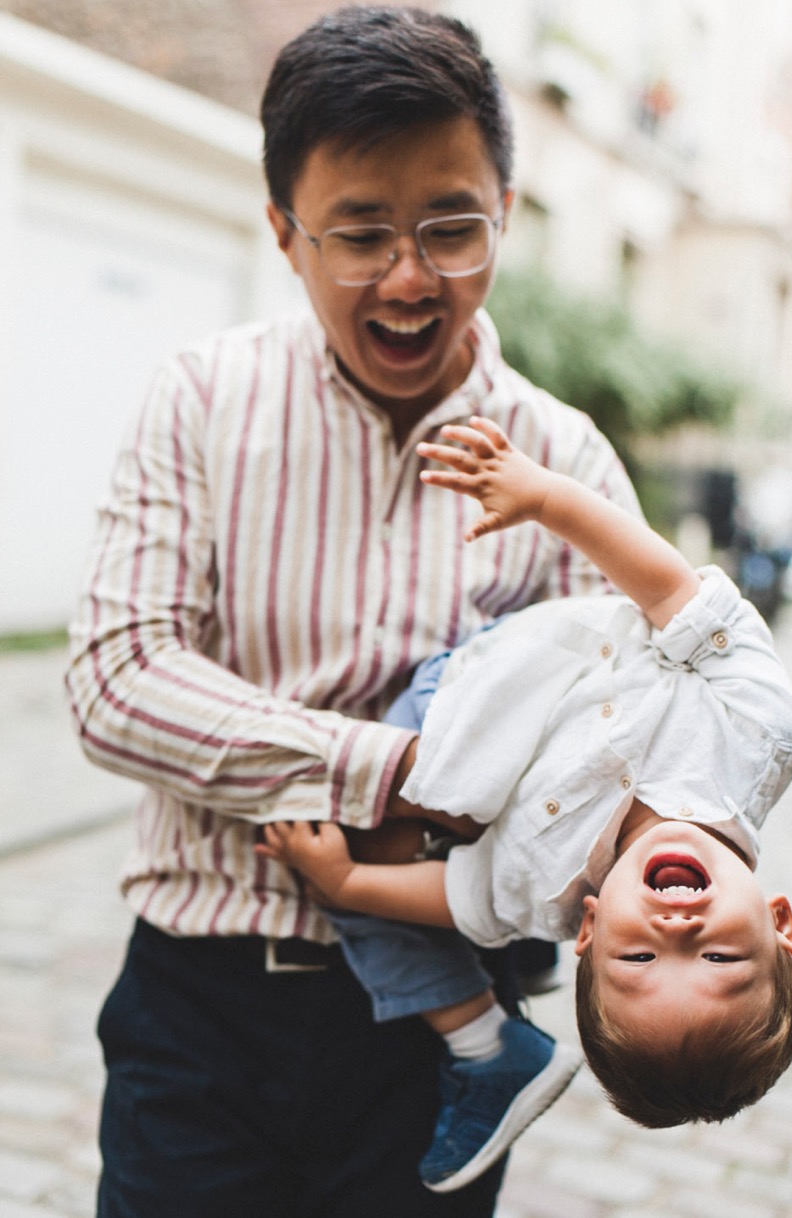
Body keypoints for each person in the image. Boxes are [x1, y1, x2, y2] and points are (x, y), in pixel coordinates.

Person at [65, 8, 644, 1217]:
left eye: (449, 227)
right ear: (283, 231)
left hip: (445, 1044)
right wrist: (398, 771)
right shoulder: (203, 401)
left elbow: (620, 750)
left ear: (506, 210)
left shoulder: (567, 464)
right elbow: (117, 680)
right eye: (360, 234)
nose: (407, 276)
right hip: (201, 1008)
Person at [261, 414, 792, 1138]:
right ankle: (495, 1021)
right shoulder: (757, 732)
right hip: (532, 644)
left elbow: (457, 893)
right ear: (779, 923)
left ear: (586, 929)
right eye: (719, 953)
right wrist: (548, 498)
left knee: (371, 867)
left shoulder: (542, 892)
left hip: (439, 710)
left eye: (638, 954)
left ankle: (485, 1032)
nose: (678, 927)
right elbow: (672, 587)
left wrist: (344, 883)